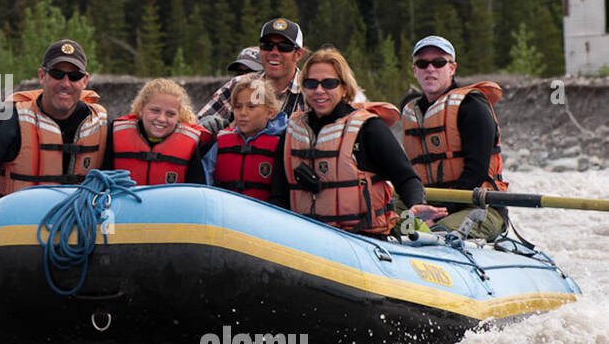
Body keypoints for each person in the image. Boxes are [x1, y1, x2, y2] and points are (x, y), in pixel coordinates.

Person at [271, 47, 447, 235]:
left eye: (329, 83)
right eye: (311, 83)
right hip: (305, 237)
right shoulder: (292, 132)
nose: (319, 90)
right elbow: (278, 194)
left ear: (344, 87)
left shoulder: (369, 128)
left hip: (360, 239)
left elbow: (406, 178)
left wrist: (416, 203)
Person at [0, 39, 107, 231]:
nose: (65, 83)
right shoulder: (9, 121)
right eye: (57, 74)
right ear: (42, 76)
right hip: (20, 227)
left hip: (79, 227)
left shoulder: (100, 124)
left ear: (85, 81)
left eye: (74, 76)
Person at [400, 35, 508, 239]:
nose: (430, 69)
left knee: (437, 234)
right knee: (382, 221)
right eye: (422, 64)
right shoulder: (413, 112)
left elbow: (475, 172)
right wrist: (417, 207)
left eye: (439, 62)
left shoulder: (472, 107)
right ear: (415, 71)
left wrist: (439, 214)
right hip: (429, 204)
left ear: (452, 68)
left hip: (479, 207)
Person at [199, 18, 307, 134]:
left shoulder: (311, 89)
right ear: (260, 49)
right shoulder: (237, 84)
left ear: (298, 55)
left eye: (284, 47)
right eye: (267, 45)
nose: (274, 52)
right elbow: (196, 127)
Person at [104, 78, 212, 185]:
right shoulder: (115, 135)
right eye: (155, 111)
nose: (161, 119)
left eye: (170, 114)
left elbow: (195, 190)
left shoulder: (191, 144)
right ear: (141, 109)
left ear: (179, 116)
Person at [202, 75, 286, 201]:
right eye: (238, 106)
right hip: (224, 214)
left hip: (265, 216)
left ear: (270, 112)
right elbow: (205, 181)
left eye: (251, 107)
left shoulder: (282, 143)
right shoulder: (220, 141)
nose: (243, 113)